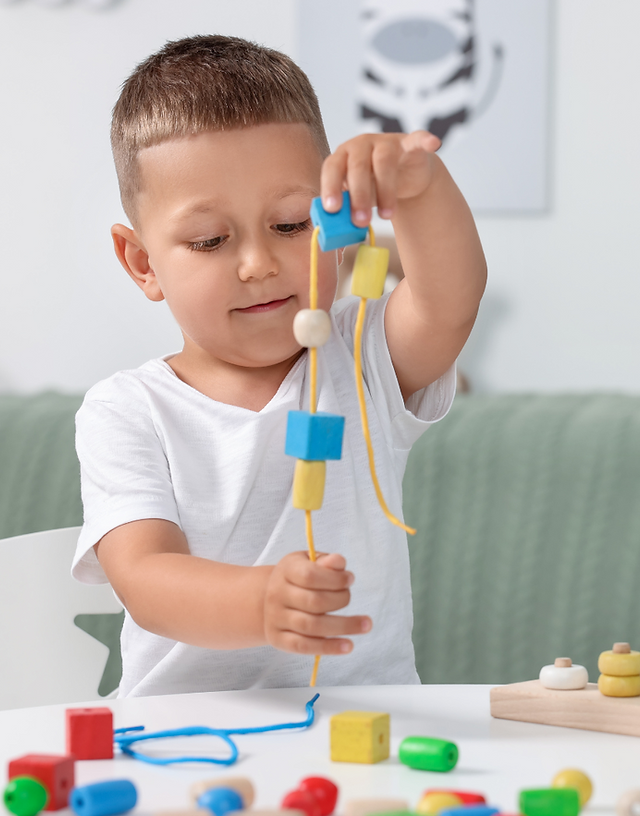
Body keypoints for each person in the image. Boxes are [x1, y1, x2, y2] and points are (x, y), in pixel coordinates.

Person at [71, 35, 486, 697]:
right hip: (179, 733)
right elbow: (145, 576)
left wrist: (419, 189)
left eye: (291, 224)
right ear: (143, 263)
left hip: (363, 724)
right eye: (210, 240)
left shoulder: (361, 361)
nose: (258, 263)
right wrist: (261, 601)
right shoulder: (128, 410)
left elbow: (449, 299)